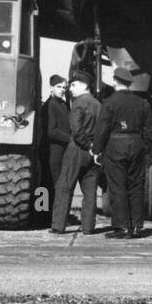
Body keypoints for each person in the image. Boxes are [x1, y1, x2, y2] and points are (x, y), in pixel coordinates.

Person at [94, 67, 152, 238]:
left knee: (117, 187)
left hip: (115, 146)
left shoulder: (109, 103)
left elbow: (102, 129)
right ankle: (137, 226)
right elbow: (151, 128)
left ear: (115, 81)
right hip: (136, 145)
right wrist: (144, 145)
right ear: (130, 83)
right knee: (136, 186)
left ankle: (122, 227)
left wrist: (96, 150)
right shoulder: (141, 103)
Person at [49, 70, 100, 235]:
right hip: (93, 153)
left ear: (84, 85)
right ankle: (88, 227)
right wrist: (94, 148)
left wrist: (85, 145)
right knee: (90, 191)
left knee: (64, 186)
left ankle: (58, 225)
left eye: (73, 85)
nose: (70, 88)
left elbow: (76, 130)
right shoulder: (98, 105)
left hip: (77, 149)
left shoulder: (78, 103)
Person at [41, 76, 71, 190]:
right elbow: (51, 131)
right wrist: (71, 139)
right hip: (53, 150)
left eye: (64, 87)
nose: (62, 90)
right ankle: (45, 208)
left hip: (60, 149)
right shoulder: (50, 105)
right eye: (59, 87)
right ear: (51, 88)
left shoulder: (61, 104)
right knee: (52, 182)